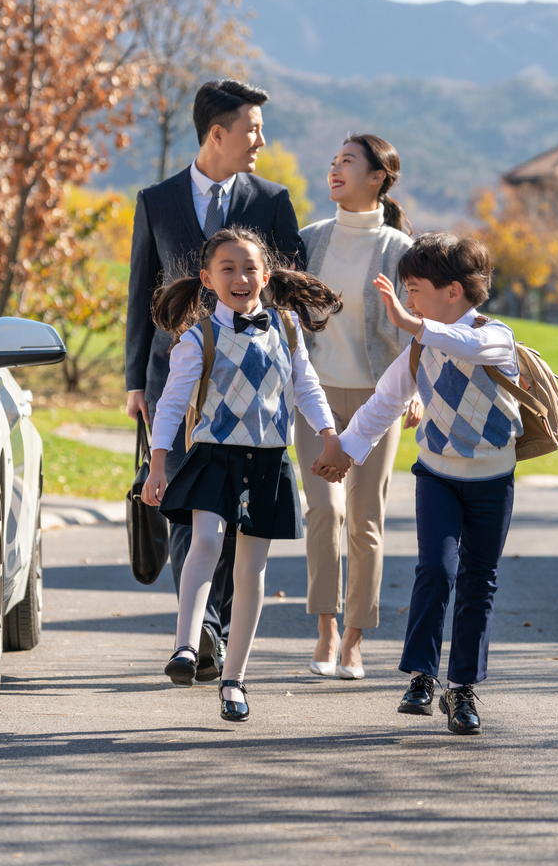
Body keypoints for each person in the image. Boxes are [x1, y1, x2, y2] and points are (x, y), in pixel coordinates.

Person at [125, 79, 305, 682]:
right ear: (217, 133)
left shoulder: (272, 200)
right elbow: (140, 294)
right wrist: (134, 382)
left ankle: (218, 629)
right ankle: (201, 629)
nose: (261, 140)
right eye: (251, 128)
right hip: (173, 379)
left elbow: (288, 295)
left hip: (249, 392)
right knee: (188, 507)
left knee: (235, 514)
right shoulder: (156, 199)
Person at [313, 232, 521, 734]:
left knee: (479, 581)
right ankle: (422, 677)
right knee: (436, 570)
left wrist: (415, 326)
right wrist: (344, 449)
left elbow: (465, 343)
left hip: (493, 481)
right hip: (437, 477)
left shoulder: (495, 336)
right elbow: (383, 404)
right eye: (405, 291)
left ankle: (463, 689)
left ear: (454, 291)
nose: (407, 300)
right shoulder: (416, 349)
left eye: (415, 288)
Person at [141, 226, 349, 722]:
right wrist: (158, 463)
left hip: (268, 461)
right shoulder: (197, 337)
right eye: (228, 269)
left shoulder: (288, 327)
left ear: (266, 275)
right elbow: (170, 404)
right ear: (207, 279)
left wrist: (329, 433)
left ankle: (234, 680)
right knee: (206, 541)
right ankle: (186, 647)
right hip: (214, 455)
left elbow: (307, 387)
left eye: (249, 268)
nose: (240, 277)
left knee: (250, 569)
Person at [295, 134, 422, 680]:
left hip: (378, 399)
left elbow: (418, 323)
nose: (334, 168)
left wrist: (413, 391)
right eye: (333, 161)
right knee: (325, 509)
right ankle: (324, 627)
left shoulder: (399, 250)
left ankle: (354, 639)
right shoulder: (306, 241)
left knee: (365, 518)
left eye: (347, 161)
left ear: (378, 177)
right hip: (315, 398)